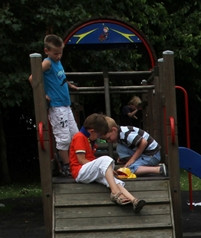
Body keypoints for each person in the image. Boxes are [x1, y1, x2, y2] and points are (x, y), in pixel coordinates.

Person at [70, 114, 146, 211]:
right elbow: (81, 160)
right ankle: (115, 192)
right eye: (98, 135)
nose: (98, 138)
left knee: (113, 180)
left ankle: (133, 200)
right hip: (79, 171)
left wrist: (107, 170)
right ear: (92, 131)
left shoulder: (89, 139)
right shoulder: (79, 137)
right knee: (106, 159)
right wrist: (100, 166)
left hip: (87, 170)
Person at [30, 34, 79, 169]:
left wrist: (69, 85)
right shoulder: (47, 62)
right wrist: (42, 94)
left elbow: (60, 77)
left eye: (60, 53)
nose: (58, 56)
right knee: (64, 137)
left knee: (75, 134)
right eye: (56, 53)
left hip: (65, 104)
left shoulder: (57, 62)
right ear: (47, 51)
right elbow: (32, 78)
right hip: (56, 106)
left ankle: (74, 161)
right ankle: (66, 164)